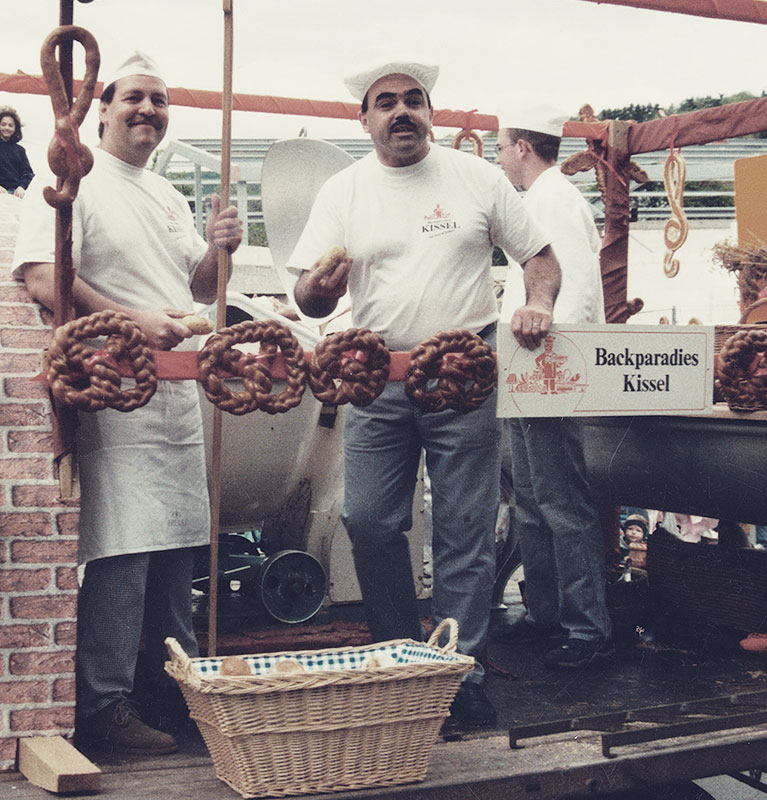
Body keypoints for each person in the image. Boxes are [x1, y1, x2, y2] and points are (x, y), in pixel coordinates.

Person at [287, 59, 560, 727]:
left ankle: (457, 675)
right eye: (386, 103)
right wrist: (319, 291)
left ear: (431, 112)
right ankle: (397, 660)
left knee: (464, 530)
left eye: (414, 100)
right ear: (365, 119)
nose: (400, 111)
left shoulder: (478, 180)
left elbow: (540, 260)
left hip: (462, 376)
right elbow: (306, 294)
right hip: (376, 381)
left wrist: (539, 305)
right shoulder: (343, 190)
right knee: (368, 519)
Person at [12, 51, 243, 754]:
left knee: (178, 550)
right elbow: (45, 278)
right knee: (123, 551)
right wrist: (130, 319)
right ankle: (103, 707)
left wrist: (219, 248)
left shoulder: (167, 194)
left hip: (175, 399)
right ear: (103, 107)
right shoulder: (70, 181)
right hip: (113, 394)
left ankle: (168, 695)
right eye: (135, 98)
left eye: (160, 101)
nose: (148, 110)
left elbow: (199, 292)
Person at [491, 105, 614, 669]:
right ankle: (548, 615)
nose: (496, 157)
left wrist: (559, 367)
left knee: (560, 501)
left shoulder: (553, 201)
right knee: (534, 502)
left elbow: (578, 290)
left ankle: (588, 629)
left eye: (499, 146)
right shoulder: (541, 200)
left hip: (546, 371)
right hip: (528, 371)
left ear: (521, 147)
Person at [0, 106, 34, 198]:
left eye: (10, 125)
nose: (7, 128)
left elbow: (28, 173)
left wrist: (21, 187)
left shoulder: (20, 150)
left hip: (13, 194)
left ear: (15, 129)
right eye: (3, 124)